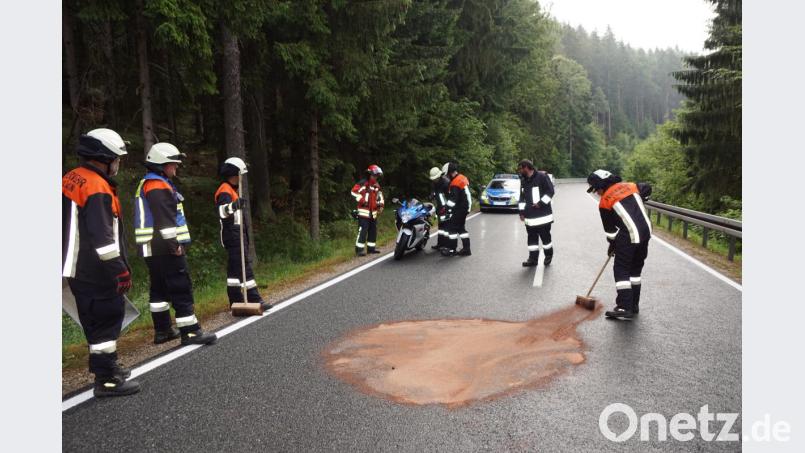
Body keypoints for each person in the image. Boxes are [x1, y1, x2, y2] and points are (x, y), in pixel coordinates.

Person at [62, 128, 140, 397]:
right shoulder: (96, 187)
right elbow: (103, 238)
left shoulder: (74, 178)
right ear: (103, 157)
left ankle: (107, 367)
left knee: (95, 320)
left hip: (77, 267)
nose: (119, 163)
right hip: (95, 270)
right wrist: (119, 271)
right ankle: (107, 380)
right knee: (106, 319)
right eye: (117, 158)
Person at [134, 143, 217, 345]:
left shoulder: (149, 183)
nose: (176, 168)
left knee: (159, 288)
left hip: (151, 247)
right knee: (180, 285)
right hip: (164, 247)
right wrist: (174, 245)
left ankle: (162, 330)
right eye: (173, 164)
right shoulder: (158, 185)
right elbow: (165, 220)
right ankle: (189, 331)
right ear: (162, 164)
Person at [587, 169, 653, 319]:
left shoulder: (605, 202)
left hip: (629, 234)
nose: (597, 193)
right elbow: (647, 187)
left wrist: (612, 244)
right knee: (635, 271)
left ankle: (624, 307)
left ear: (601, 185)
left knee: (621, 269)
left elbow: (610, 231)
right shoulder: (631, 186)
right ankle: (633, 305)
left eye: (596, 189)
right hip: (645, 232)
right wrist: (643, 198)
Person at [215, 157, 273, 312]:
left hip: (237, 233)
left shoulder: (232, 190)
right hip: (232, 234)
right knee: (243, 266)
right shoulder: (225, 190)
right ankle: (255, 298)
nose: (242, 177)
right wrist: (235, 205)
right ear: (235, 173)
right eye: (241, 174)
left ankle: (236, 300)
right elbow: (222, 211)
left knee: (234, 272)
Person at [517, 159, 555, 267]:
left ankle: (548, 255)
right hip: (529, 217)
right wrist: (521, 212)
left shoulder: (542, 177)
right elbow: (522, 198)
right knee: (532, 240)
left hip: (543, 216)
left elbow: (550, 191)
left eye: (520, 168)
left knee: (545, 238)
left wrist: (541, 203)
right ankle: (532, 259)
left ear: (526, 167)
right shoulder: (524, 180)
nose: (520, 171)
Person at [351, 164, 385, 256]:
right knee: (363, 230)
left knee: (373, 231)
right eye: (374, 175)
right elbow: (353, 192)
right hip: (364, 213)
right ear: (369, 174)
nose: (376, 177)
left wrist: (381, 205)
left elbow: (380, 196)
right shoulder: (363, 183)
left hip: (373, 213)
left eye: (377, 176)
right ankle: (359, 250)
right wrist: (362, 200)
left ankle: (371, 248)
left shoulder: (376, 186)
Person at [441, 162, 472, 257]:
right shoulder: (461, 177)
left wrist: (445, 209)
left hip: (461, 208)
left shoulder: (455, 183)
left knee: (452, 229)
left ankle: (452, 250)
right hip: (465, 207)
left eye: (447, 174)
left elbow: (453, 201)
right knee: (460, 228)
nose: (447, 177)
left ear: (450, 172)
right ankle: (466, 249)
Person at [429, 166, 451, 250]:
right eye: (433, 179)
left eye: (435, 179)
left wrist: (446, 208)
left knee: (446, 227)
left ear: (439, 176)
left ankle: (446, 245)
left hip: (446, 208)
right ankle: (440, 244)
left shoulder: (446, 183)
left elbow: (450, 197)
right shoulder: (435, 183)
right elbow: (434, 191)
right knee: (441, 227)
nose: (434, 180)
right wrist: (432, 195)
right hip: (440, 207)